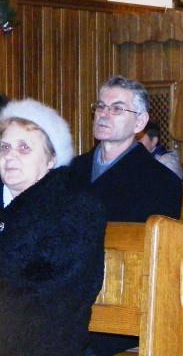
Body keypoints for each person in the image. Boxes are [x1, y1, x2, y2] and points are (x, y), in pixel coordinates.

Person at [69, 76, 182, 356]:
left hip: (119, 302)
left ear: (140, 122)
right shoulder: (70, 171)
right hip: (64, 298)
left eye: (117, 108)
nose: (104, 114)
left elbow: (157, 260)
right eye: (100, 106)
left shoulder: (161, 182)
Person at [0, 99, 106, 356]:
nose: (10, 155)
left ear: (51, 158)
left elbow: (58, 293)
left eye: (24, 148)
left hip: (43, 340)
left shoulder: (75, 209)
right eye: (4, 147)